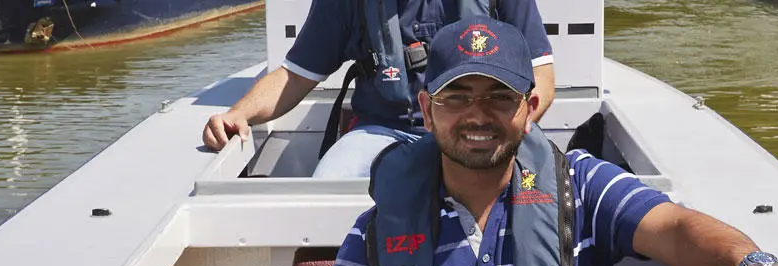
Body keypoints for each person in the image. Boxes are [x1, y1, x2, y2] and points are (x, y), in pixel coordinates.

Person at [332, 17, 778, 266]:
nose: (478, 115)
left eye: (499, 97)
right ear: (427, 111)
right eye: (456, 98)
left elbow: (678, 230)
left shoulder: (580, 188)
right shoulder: (373, 235)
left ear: (530, 107)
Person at [199, 0, 558, 178]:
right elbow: (294, 76)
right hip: (384, 130)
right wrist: (238, 113)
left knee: (534, 194)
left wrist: (505, 131)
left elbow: (542, 78)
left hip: (482, 129)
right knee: (327, 184)